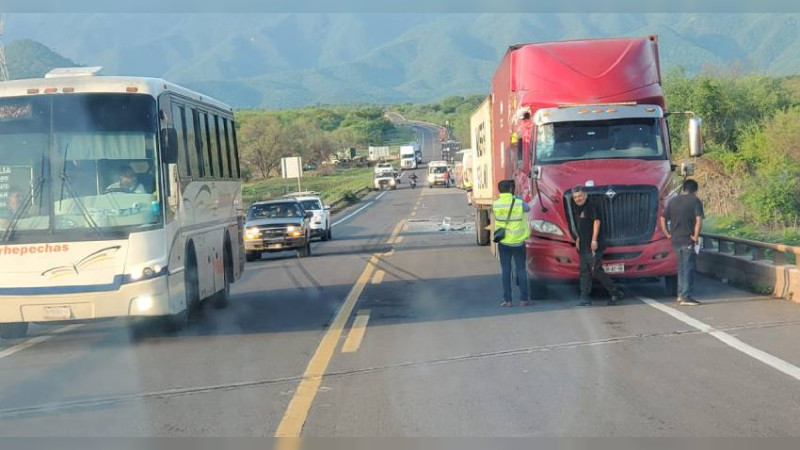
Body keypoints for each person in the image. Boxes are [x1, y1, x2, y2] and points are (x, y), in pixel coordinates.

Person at [571, 185, 623, 306]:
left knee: (596, 271)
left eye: (580, 196)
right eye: (575, 197)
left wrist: (594, 240)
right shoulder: (578, 208)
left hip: (593, 245)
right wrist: (578, 238)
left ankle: (615, 292)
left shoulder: (592, 206)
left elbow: (596, 222)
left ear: (585, 195)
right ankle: (585, 299)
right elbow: (582, 226)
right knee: (584, 272)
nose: (578, 199)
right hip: (583, 246)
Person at [660, 179, 704, 306]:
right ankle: (686, 296)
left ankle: (680, 294)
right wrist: (695, 236)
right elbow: (699, 220)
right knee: (688, 267)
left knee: (681, 268)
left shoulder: (673, 201)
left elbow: (662, 218)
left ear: (684, 188)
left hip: (675, 239)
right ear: (694, 190)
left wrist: (667, 233)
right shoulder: (695, 201)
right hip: (687, 238)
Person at [492, 179, 531, 307]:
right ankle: (524, 299)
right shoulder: (518, 202)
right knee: (521, 270)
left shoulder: (496, 204)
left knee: (506, 271)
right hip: (519, 241)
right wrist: (518, 198)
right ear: (510, 189)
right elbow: (528, 208)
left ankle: (508, 300)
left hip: (503, 242)